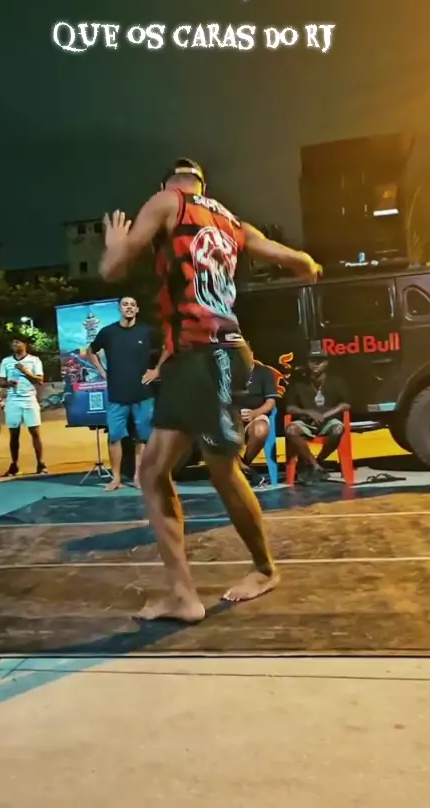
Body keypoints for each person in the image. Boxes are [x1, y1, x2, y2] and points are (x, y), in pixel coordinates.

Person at [100, 157, 320, 622]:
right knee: (191, 470)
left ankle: (196, 593)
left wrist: (115, 244)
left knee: (174, 472)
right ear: (204, 185)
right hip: (225, 353)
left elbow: (113, 270)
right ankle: (248, 573)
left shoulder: (168, 202)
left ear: (170, 184)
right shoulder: (231, 222)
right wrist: (309, 265)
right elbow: (293, 258)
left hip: (201, 355)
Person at [88, 296, 168, 490]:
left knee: (142, 437)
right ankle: (115, 478)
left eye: (132, 305)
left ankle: (138, 476)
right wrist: (102, 372)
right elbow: (91, 351)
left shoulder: (147, 331)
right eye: (125, 304)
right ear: (119, 309)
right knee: (115, 437)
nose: (129, 307)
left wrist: (157, 370)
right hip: (117, 394)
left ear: (137, 309)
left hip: (143, 393)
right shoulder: (108, 332)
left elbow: (168, 347)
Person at [285, 345, 350, 483]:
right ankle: (315, 466)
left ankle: (318, 461)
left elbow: (346, 405)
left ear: (326, 363)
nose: (316, 364)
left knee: (338, 429)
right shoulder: (299, 384)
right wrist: (308, 412)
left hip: (328, 421)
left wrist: (325, 415)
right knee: (291, 430)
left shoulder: (336, 382)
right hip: (306, 422)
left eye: (319, 361)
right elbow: (290, 408)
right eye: (312, 361)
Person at [0, 334, 47, 476]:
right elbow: (1, 382)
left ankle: (41, 464)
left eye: (18, 342)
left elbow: (40, 380)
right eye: (13, 343)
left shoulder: (34, 360)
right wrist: (9, 383)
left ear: (25, 344)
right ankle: (14, 465)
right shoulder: (6, 361)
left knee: (35, 433)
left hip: (29, 400)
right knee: (14, 434)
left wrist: (25, 372)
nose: (15, 345)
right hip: (13, 401)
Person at [239, 357, 281, 488]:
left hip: (256, 415)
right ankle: (245, 471)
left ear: (251, 354)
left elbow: (270, 402)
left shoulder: (264, 372)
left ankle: (242, 467)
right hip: (231, 418)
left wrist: (254, 413)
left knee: (261, 430)